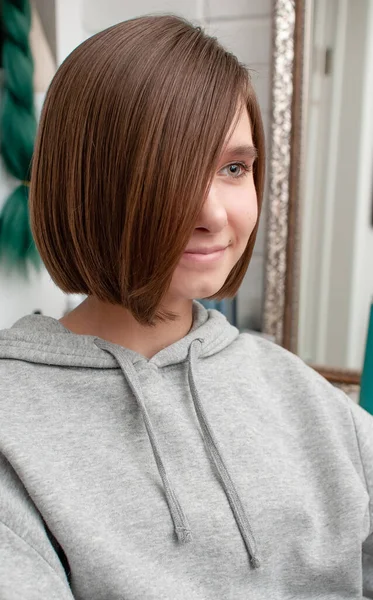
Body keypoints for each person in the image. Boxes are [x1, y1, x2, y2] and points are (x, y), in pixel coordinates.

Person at [0, 14, 372, 600]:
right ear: (89, 184)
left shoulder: (303, 395)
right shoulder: (13, 422)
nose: (215, 214)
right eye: (168, 171)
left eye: (233, 168)